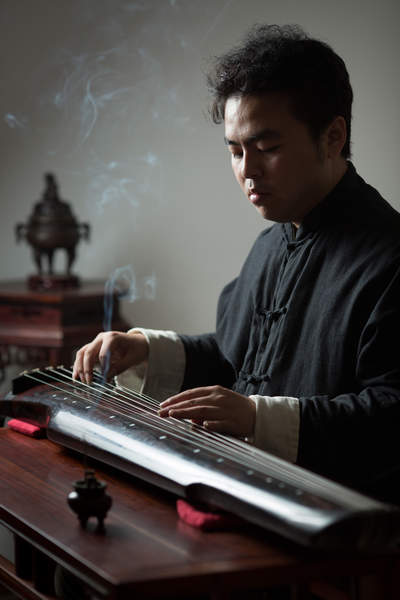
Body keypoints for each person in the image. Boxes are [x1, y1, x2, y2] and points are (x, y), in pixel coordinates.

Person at [73, 24, 400, 505]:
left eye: (267, 148)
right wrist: (145, 349)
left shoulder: (390, 257)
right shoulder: (272, 243)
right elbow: (238, 357)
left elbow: (391, 414)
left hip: (335, 530)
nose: (247, 170)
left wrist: (256, 418)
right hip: (248, 493)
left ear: (333, 137)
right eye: (234, 149)